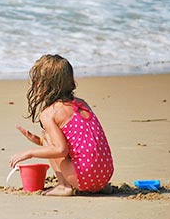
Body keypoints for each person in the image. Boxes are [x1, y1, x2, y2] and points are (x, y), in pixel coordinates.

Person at [9, 54, 114, 196]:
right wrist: (39, 141)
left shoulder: (49, 114)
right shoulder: (81, 103)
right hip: (105, 175)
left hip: (84, 178)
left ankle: (64, 186)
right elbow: (81, 141)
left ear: (43, 84)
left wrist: (29, 152)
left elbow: (60, 150)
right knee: (46, 138)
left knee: (48, 137)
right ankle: (99, 186)